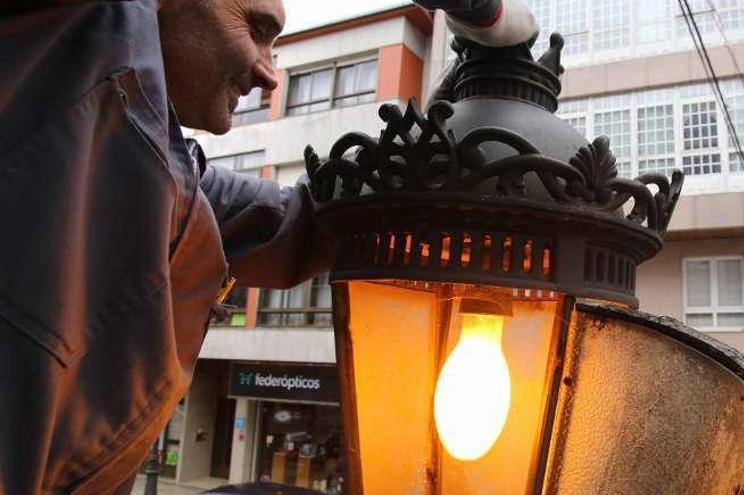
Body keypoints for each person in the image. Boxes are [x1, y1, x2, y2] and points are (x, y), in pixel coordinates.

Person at [0, 1, 537, 493]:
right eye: (257, 30)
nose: (268, 72)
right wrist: (486, 13)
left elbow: (303, 222)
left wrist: (434, 150)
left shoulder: (182, 186)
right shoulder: (68, 36)